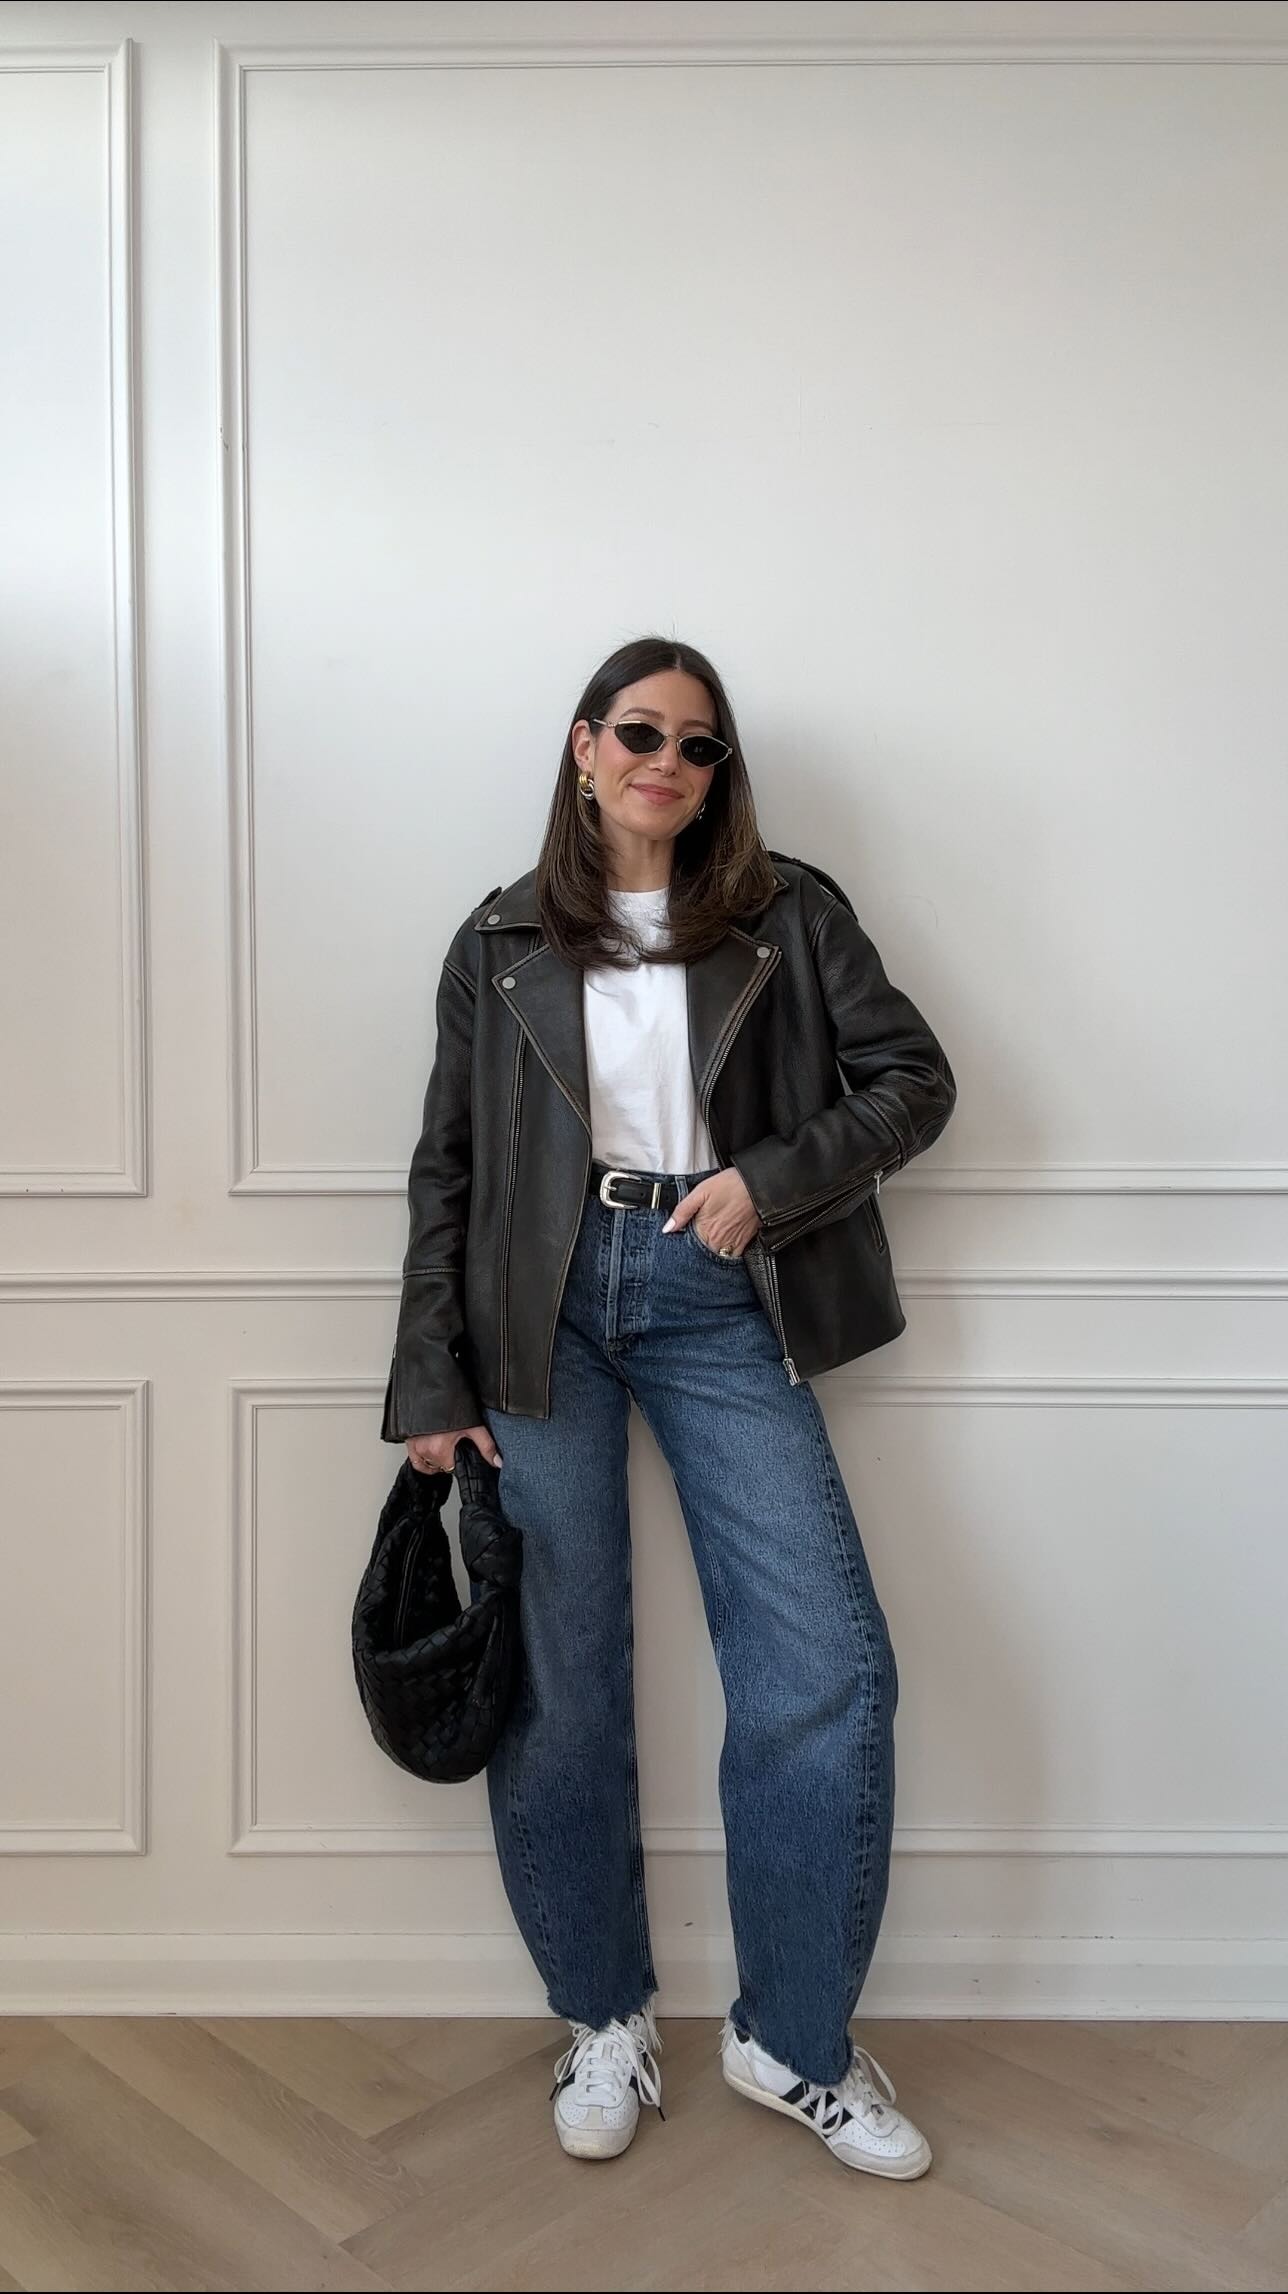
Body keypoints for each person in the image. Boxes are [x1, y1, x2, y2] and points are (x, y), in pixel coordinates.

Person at [382, 634, 956, 2174]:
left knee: (824, 1666)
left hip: (719, 1289)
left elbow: (913, 1079)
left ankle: (793, 2041)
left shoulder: (789, 913)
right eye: (640, 731)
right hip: (539, 1310)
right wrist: (432, 1375)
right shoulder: (497, 937)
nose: (669, 762)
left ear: (721, 774)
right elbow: (450, 1166)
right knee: (560, 1683)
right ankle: (604, 2017)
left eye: (700, 745)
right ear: (583, 747)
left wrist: (763, 1185)